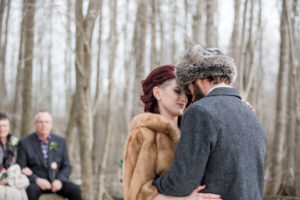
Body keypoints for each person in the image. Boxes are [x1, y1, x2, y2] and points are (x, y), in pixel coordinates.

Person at [153, 45, 267, 200]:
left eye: (188, 88)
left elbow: (183, 182)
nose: (190, 97)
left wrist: (151, 184)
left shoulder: (199, 112)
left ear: (198, 80)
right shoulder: (250, 114)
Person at [122, 65, 222, 200]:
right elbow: (136, 195)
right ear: (157, 93)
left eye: (186, 93)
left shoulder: (193, 129)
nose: (184, 98)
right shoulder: (144, 134)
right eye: (177, 91)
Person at [17, 111, 82, 200]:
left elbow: (67, 166)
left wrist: (60, 180)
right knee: (30, 192)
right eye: (40, 122)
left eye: (47, 122)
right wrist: (37, 180)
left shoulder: (60, 142)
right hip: (36, 183)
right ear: (35, 124)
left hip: (57, 182)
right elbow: (21, 167)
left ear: (51, 124)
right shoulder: (25, 143)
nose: (44, 125)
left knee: (75, 190)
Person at [0, 111, 30, 200]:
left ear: (8, 126)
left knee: (22, 185)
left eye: (4, 126)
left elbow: (21, 161)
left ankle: (9, 183)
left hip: (12, 176)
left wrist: (25, 168)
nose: (2, 129)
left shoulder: (16, 142)